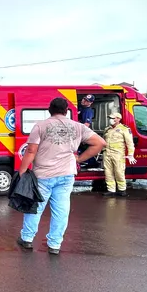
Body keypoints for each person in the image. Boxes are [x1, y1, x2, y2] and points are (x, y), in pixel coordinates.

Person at [17, 98, 106, 254]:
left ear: (50, 109)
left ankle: (27, 239)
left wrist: (22, 171)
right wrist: (79, 158)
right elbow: (100, 143)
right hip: (66, 174)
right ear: (66, 110)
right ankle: (55, 244)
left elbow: (31, 151)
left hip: (43, 174)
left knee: (35, 207)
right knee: (61, 210)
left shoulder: (40, 126)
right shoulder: (78, 127)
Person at [102, 112, 136, 197]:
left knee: (119, 172)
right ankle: (111, 190)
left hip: (118, 154)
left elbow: (130, 143)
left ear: (118, 119)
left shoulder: (124, 129)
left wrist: (131, 154)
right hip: (107, 153)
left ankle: (122, 189)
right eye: (110, 117)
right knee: (108, 172)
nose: (111, 119)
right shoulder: (107, 129)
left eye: (113, 118)